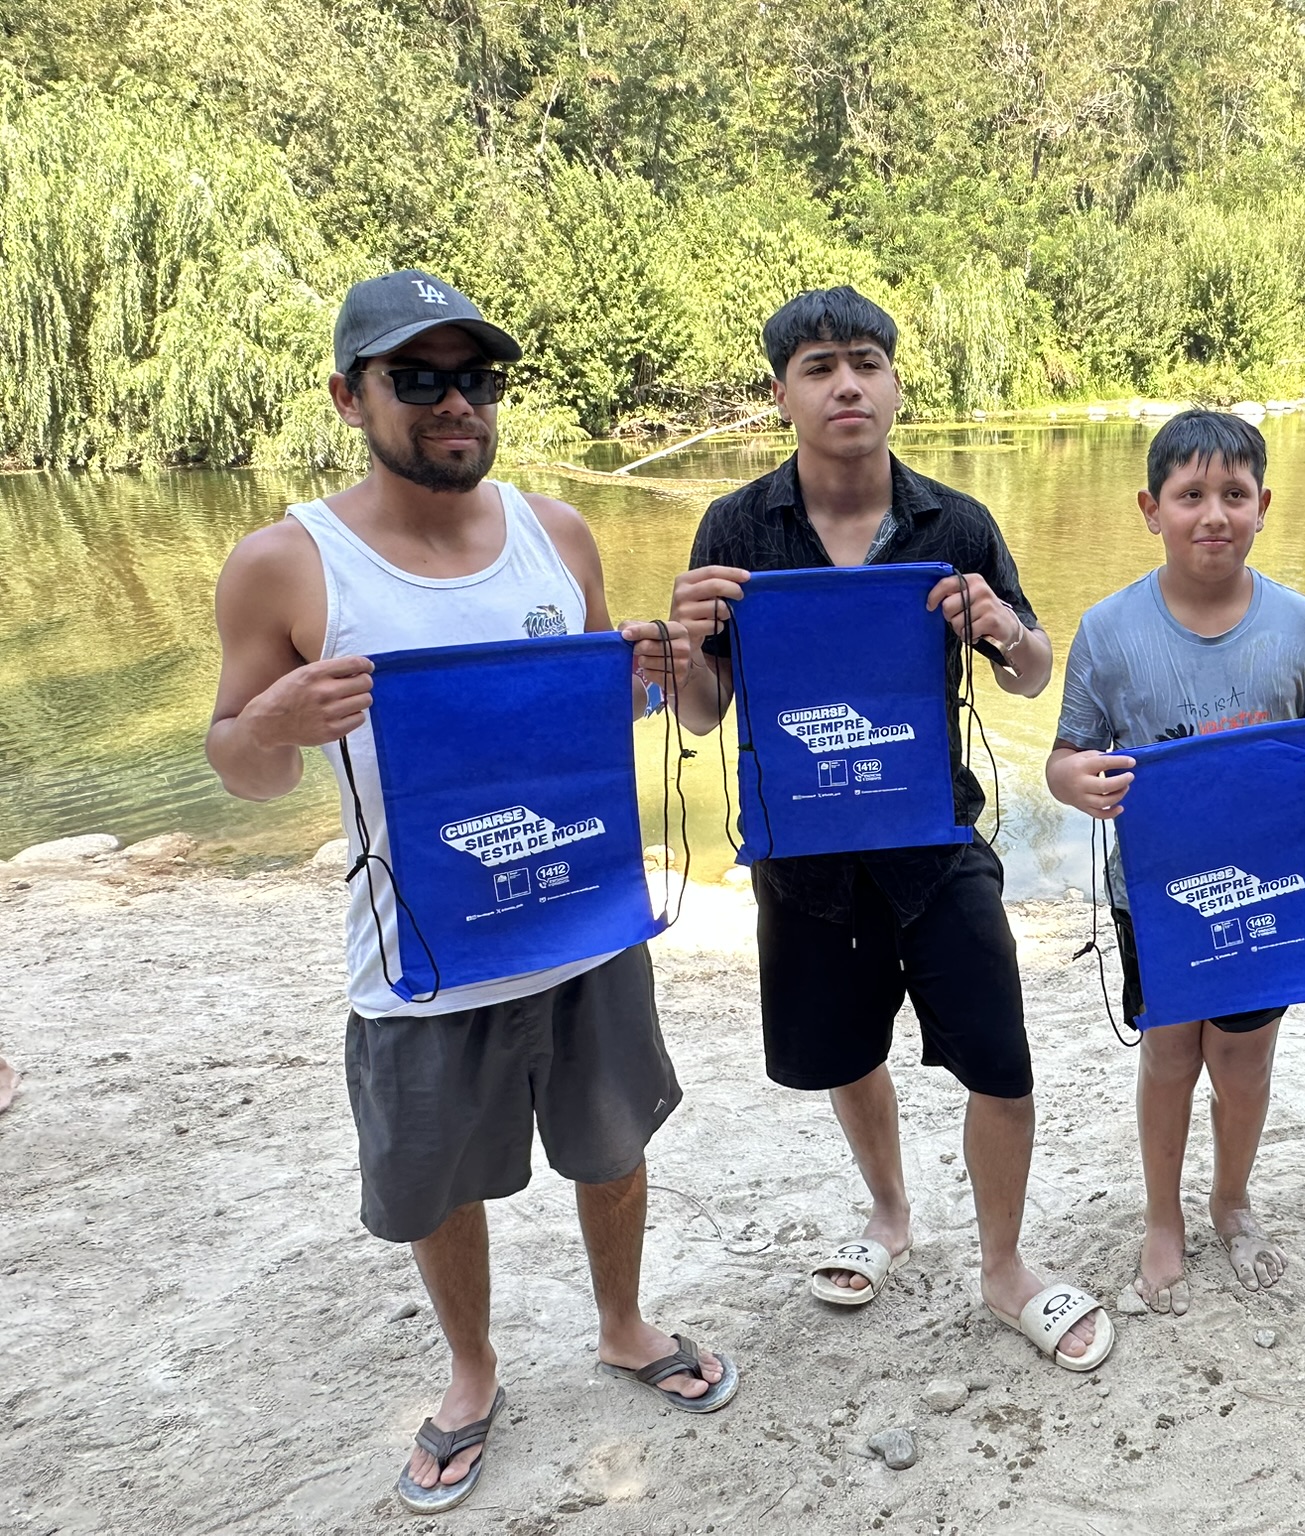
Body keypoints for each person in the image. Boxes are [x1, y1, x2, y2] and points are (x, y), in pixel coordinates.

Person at [208, 271, 736, 1515]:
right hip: (421, 953)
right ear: (349, 397)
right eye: (419, 378)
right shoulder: (284, 565)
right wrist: (274, 716)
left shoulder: (558, 531)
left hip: (587, 927)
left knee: (612, 1152)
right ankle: (470, 1370)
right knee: (437, 1186)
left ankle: (621, 1324)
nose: (457, 403)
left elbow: (606, 702)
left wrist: (653, 670)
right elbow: (240, 770)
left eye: (477, 378)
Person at [638, 286, 1113, 1372]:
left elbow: (1033, 676)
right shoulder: (735, 528)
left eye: (863, 361)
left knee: (999, 1062)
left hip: (933, 841)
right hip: (802, 857)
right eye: (817, 368)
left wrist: (1000, 626)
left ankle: (1003, 1268)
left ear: (895, 382)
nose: (844, 383)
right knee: (849, 1053)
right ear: (781, 395)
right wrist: (682, 641)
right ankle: (891, 1215)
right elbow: (705, 712)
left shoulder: (956, 522)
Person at [1043, 410, 1305, 1315]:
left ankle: (1231, 1202)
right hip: (1155, 894)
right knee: (1167, 1057)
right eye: (1191, 496)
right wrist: (1083, 783)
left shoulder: (1301, 627)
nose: (1214, 515)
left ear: (1264, 506)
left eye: (1234, 495)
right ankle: (1163, 1217)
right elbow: (1065, 757)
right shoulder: (1109, 631)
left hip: (1270, 886)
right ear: (1150, 509)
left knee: (1244, 1060)